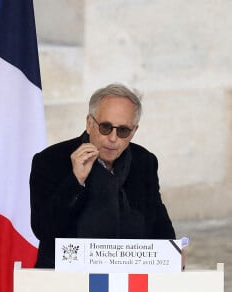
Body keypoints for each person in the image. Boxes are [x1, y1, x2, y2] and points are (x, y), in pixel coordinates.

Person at [30, 83, 176, 268]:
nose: (113, 138)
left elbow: (157, 217)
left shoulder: (144, 161)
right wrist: (75, 181)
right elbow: (43, 230)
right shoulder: (50, 161)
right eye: (106, 127)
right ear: (90, 124)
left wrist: (173, 253)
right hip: (68, 274)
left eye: (123, 131)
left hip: (130, 272)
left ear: (134, 131)